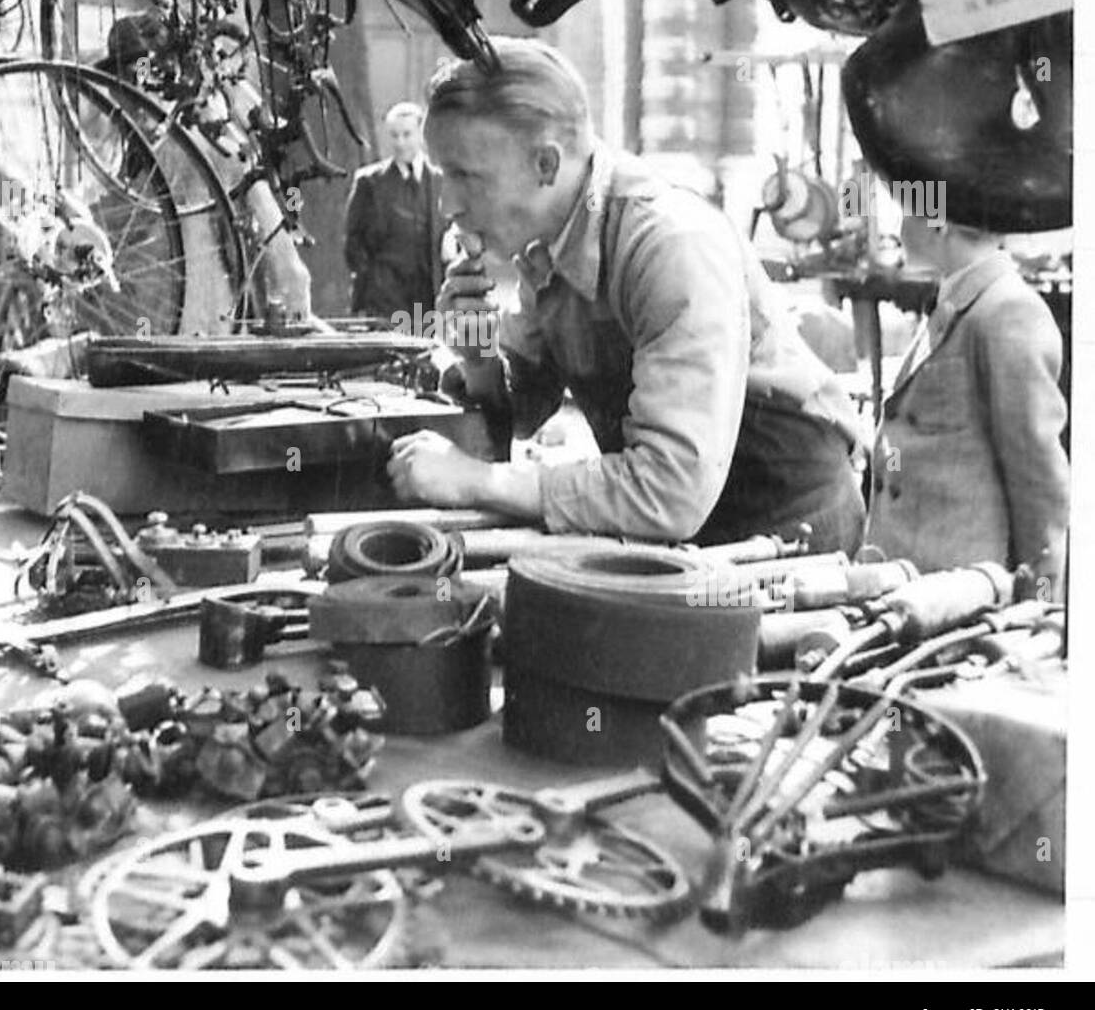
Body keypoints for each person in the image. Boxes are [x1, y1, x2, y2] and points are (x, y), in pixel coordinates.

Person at [386, 37, 865, 552]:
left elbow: (670, 491)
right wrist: (479, 355)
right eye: (442, 176)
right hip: (689, 535)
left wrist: (475, 481)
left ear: (546, 165)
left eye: (465, 176)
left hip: (787, 529)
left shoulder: (672, 245)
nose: (448, 204)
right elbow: (528, 409)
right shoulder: (546, 240)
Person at [865, 209, 1069, 594]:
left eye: (909, 210)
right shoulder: (957, 301)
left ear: (938, 223)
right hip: (914, 585)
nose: (900, 226)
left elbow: (1038, 483)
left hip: (960, 598)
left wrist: (1040, 603)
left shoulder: (1007, 310)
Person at [344, 102, 446, 321]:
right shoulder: (369, 183)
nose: (400, 143)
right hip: (383, 304)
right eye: (394, 135)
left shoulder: (441, 183)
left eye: (407, 134)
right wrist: (372, 283)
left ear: (421, 134)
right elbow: (353, 243)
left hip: (429, 303)